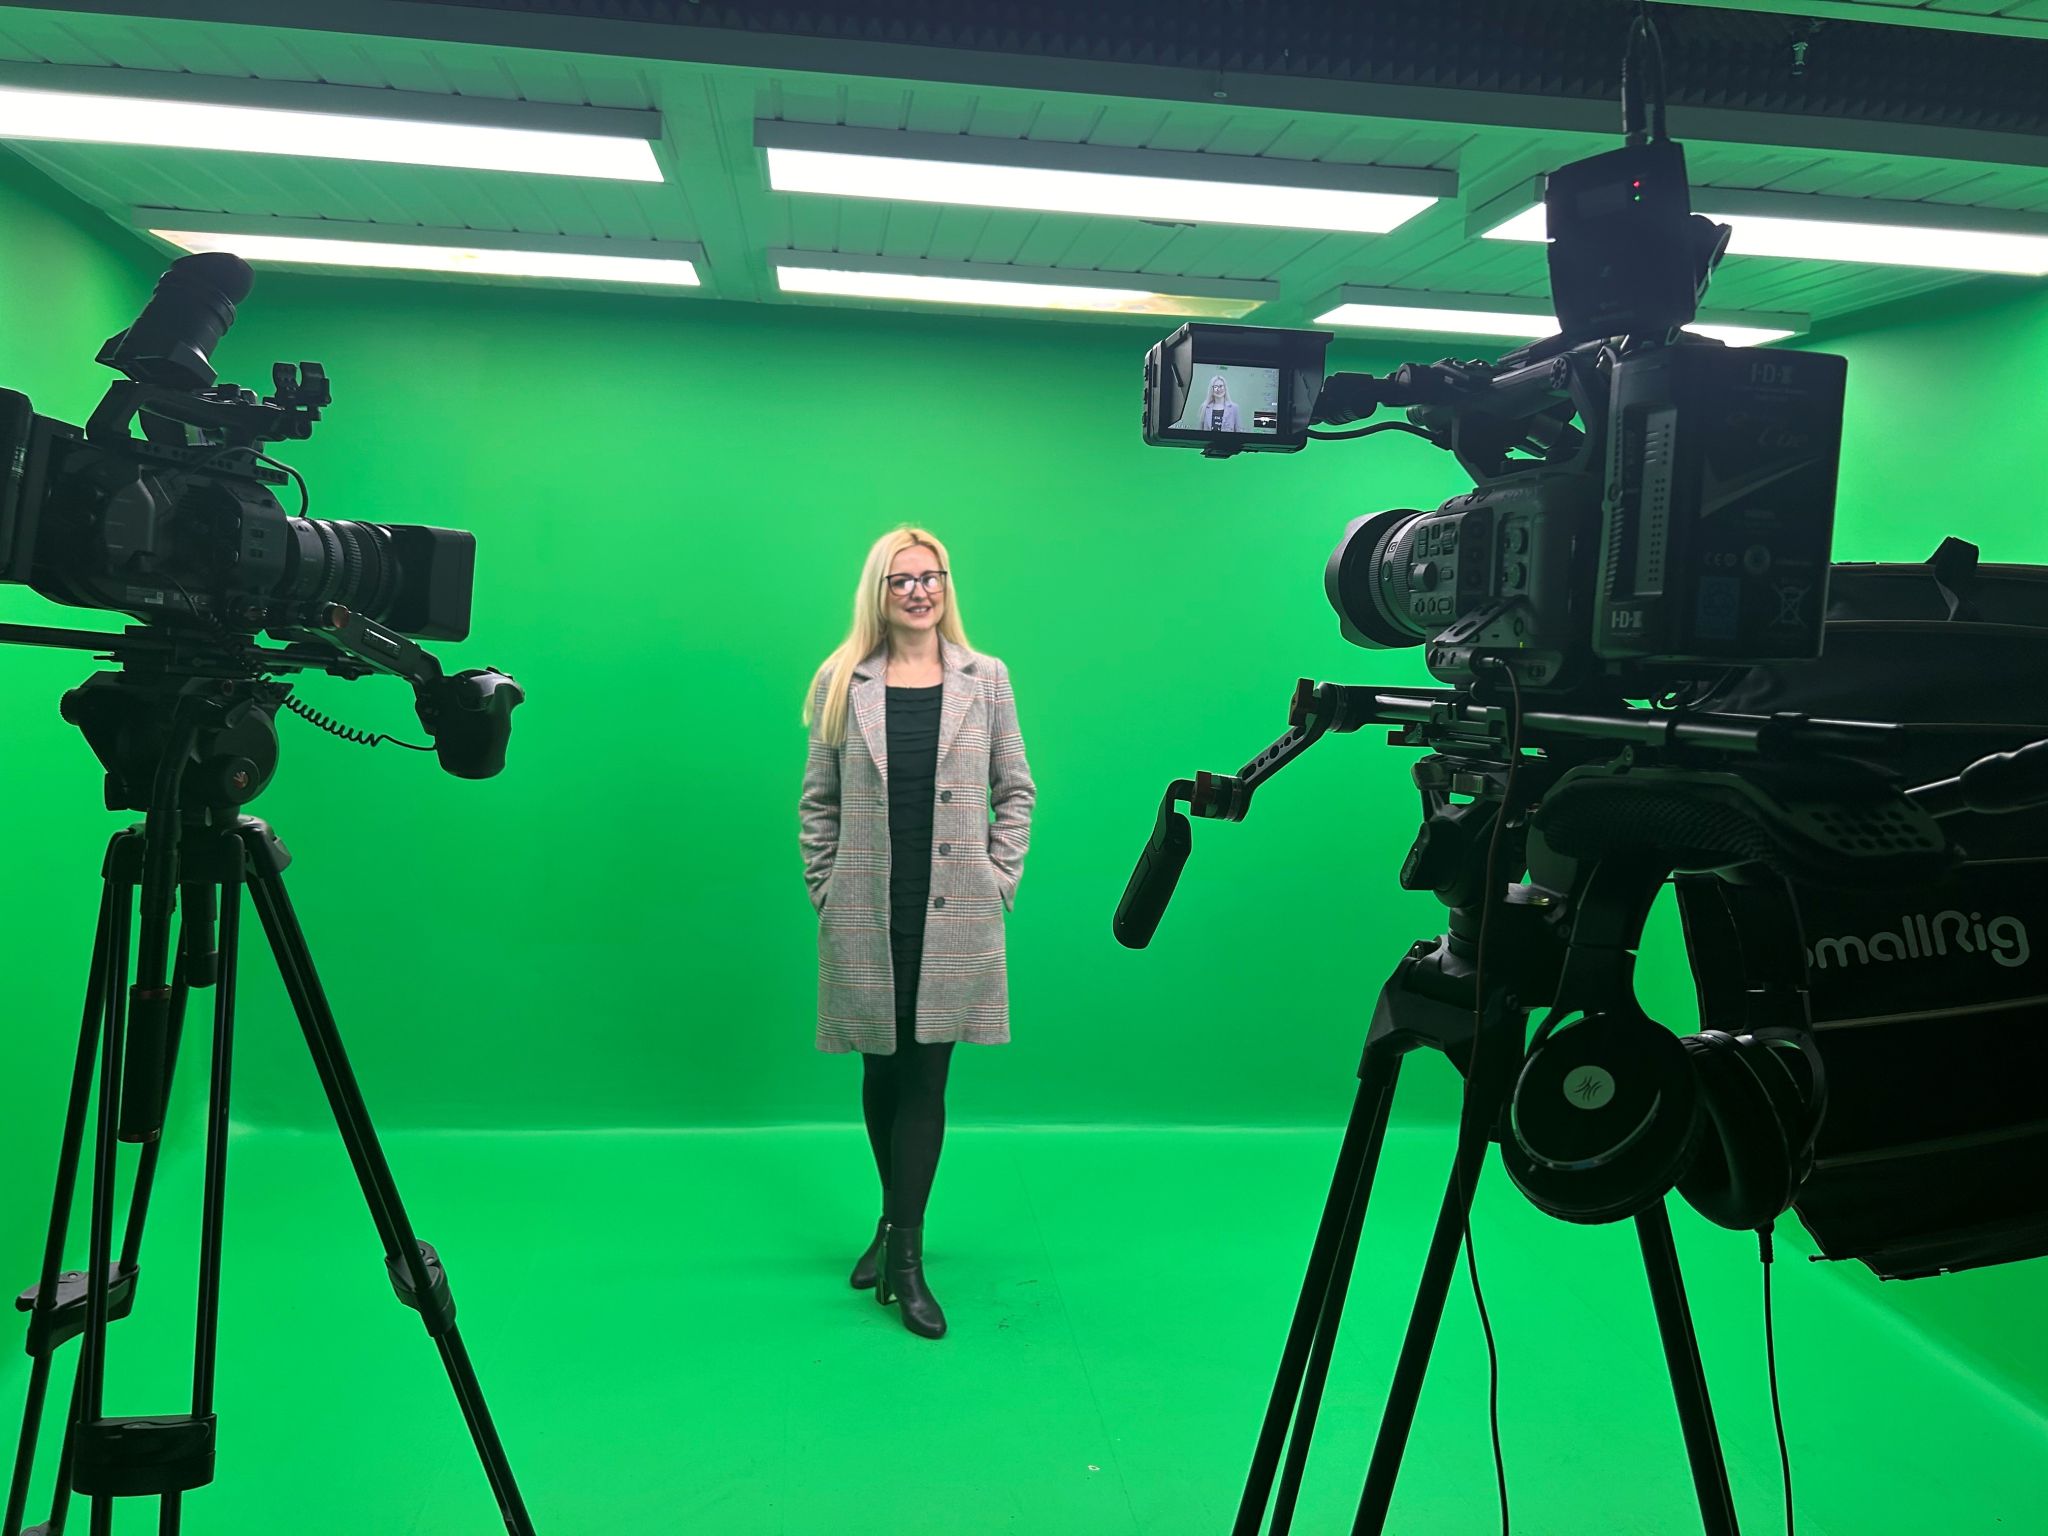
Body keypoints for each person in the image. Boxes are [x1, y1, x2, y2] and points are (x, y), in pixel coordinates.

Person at [798, 527, 1036, 1339]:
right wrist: (827, 888)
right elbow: (818, 802)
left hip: (955, 911)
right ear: (879, 592)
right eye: (901, 580)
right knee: (880, 1072)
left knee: (927, 1079)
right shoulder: (841, 679)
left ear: (946, 585)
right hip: (866, 912)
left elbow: (1017, 789)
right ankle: (891, 1220)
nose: (918, 591)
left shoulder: (986, 678)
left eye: (930, 577)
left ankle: (906, 1258)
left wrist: (997, 878)